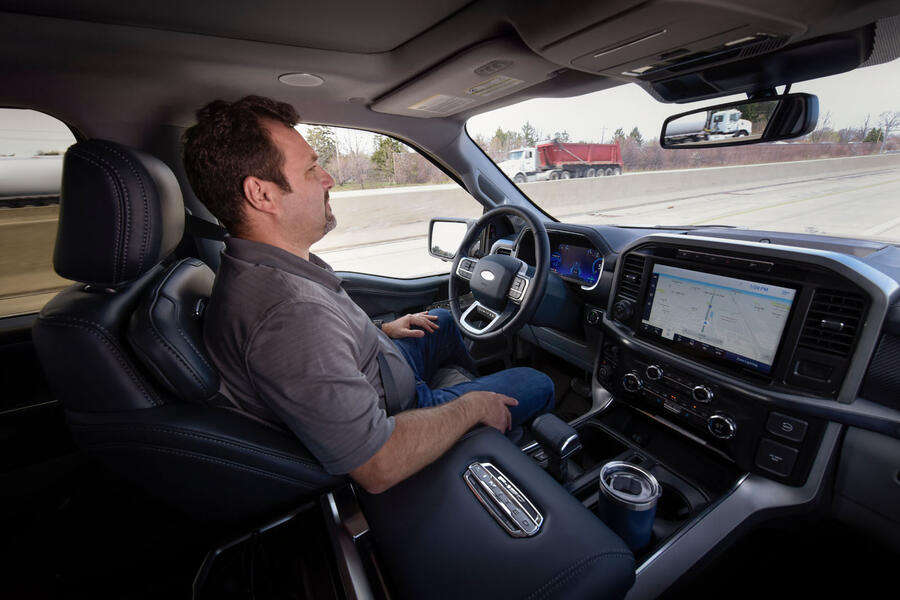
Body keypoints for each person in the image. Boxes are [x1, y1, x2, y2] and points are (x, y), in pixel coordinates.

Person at [182, 95, 554, 493]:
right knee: (538, 382)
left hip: (380, 374)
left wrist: (381, 332)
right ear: (262, 194)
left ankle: (477, 418)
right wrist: (470, 408)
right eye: (310, 169)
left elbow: (324, 344)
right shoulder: (289, 315)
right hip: (397, 414)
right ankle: (483, 435)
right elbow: (378, 462)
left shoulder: (265, 268)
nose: (328, 179)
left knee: (443, 322)